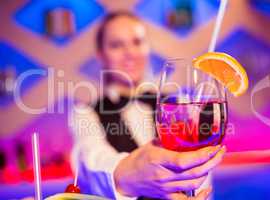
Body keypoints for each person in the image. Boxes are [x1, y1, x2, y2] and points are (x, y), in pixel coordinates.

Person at [70, 11, 226, 200]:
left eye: (137, 42)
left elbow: (199, 169)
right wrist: (125, 174)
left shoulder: (179, 105)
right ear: (101, 54)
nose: (129, 53)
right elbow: (90, 160)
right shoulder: (86, 113)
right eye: (116, 45)